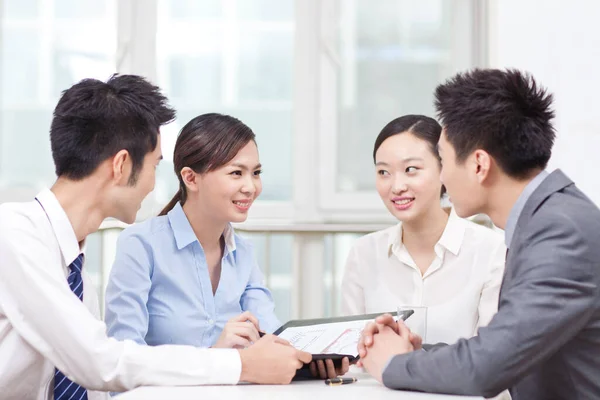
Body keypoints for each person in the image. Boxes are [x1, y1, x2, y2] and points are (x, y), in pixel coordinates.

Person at [0, 75, 312, 400]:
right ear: (121, 165)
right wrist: (235, 364)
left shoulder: (74, 273)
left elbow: (93, 378)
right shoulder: (15, 235)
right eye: (154, 165)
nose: (153, 184)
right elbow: (100, 362)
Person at [357, 69, 600, 400]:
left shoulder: (560, 233)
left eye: (442, 160)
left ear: (479, 165)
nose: (440, 176)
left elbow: (484, 369)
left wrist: (396, 364)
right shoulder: (547, 219)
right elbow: (504, 345)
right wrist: (418, 355)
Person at [341, 115, 505, 345]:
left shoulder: (490, 250)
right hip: (376, 382)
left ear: (443, 170)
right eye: (383, 172)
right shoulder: (364, 253)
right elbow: (353, 354)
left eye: (411, 169)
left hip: (458, 382)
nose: (397, 186)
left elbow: (491, 356)